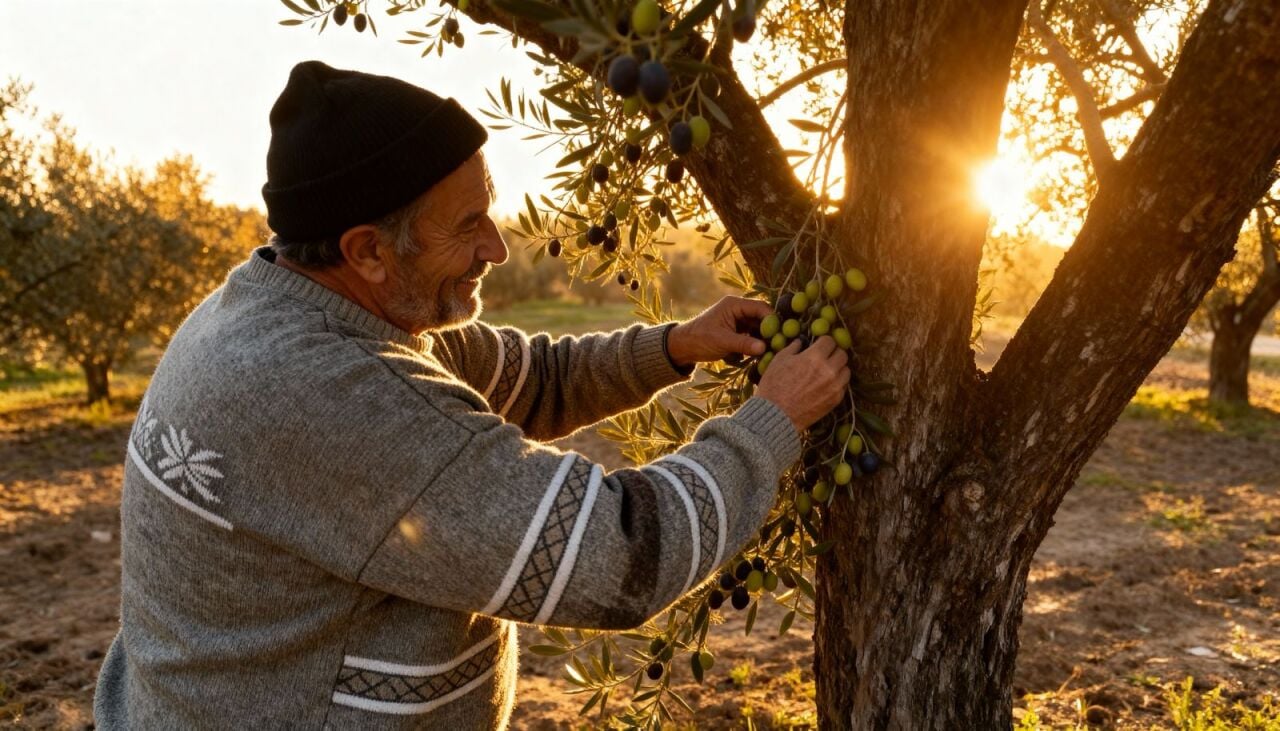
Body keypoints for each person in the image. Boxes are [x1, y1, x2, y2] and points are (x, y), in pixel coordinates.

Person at [93, 60, 850, 729]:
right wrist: (772, 421)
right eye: (467, 225)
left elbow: (535, 381)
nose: (497, 246)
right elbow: (621, 556)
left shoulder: (296, 306)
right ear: (368, 249)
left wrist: (675, 344)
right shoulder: (330, 396)